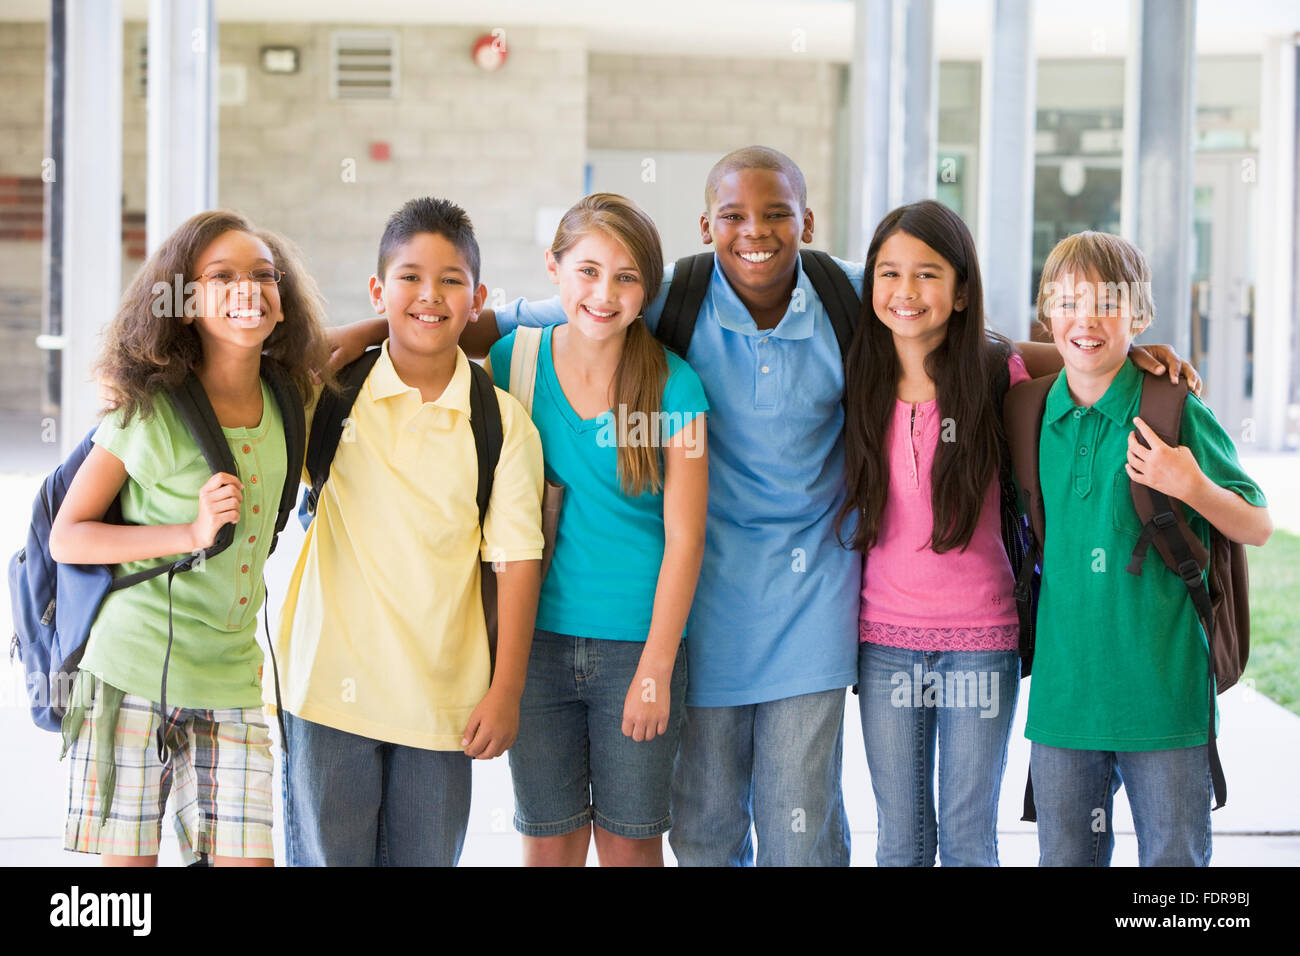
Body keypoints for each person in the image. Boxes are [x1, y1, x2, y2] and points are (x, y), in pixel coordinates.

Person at [329, 146, 1197, 866]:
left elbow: (960, 328)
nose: (756, 232)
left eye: (777, 214)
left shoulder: (849, 291)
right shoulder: (668, 294)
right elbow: (477, 317)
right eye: (734, 217)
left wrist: (1122, 352)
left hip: (815, 599)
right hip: (702, 607)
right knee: (703, 821)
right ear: (707, 227)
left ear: (807, 224)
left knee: (800, 818)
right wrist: (343, 336)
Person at [50, 210, 334, 866]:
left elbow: (348, 347)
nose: (249, 289)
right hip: (130, 675)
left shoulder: (293, 395)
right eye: (222, 276)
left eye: (264, 276)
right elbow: (69, 536)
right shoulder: (149, 412)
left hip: (231, 680)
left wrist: (394, 317)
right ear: (184, 302)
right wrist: (189, 531)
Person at [274, 197, 544, 866]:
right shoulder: (332, 395)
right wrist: (362, 335)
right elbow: (257, 373)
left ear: (477, 297)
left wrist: (505, 690)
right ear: (378, 290)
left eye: (452, 280)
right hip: (327, 694)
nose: (431, 295)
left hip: (442, 705)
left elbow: (517, 564)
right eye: (409, 278)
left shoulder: (503, 422)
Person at [1025, 231, 1271, 866]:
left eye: (1109, 303)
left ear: (1139, 314)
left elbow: (1257, 525)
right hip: (1064, 702)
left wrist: (1190, 485)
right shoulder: (1026, 410)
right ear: (1047, 308)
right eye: (1069, 300)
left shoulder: (1172, 408)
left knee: (1174, 872)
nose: (1086, 318)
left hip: (1163, 698)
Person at [485, 193, 708, 866]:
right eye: (587, 271)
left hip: (637, 648)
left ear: (648, 290)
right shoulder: (511, 364)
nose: (603, 293)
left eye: (626, 277)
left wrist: (656, 669)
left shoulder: (677, 388)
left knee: (629, 844)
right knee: (548, 841)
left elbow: (686, 539)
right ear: (553, 270)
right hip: (536, 644)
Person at [837, 200, 1026, 866]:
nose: (906, 292)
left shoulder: (999, 374)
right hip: (883, 638)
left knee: (970, 836)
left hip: (982, 636)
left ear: (962, 289)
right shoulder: (856, 373)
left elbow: (1087, 364)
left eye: (928, 274)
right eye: (889, 274)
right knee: (902, 837)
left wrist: (1144, 352)